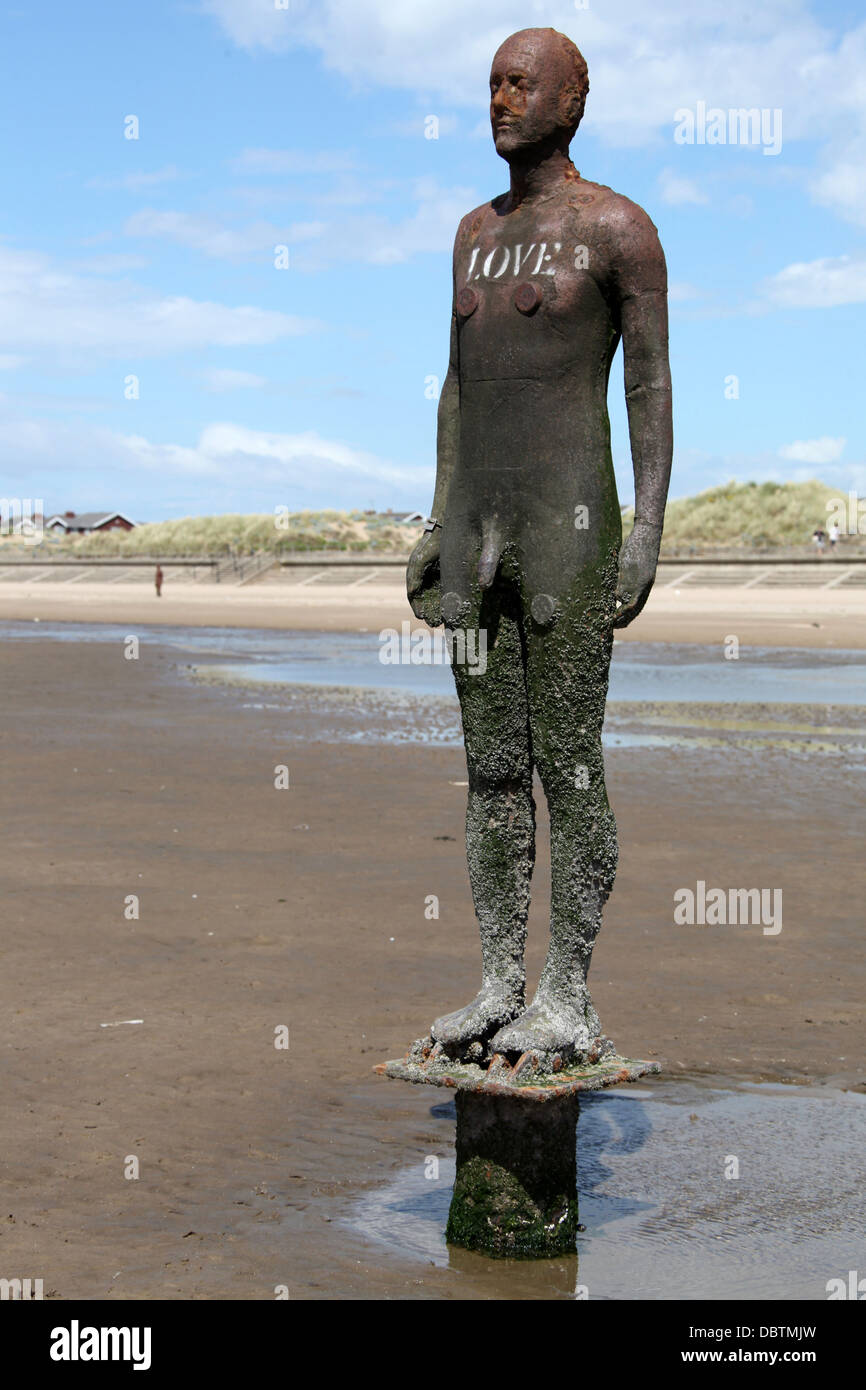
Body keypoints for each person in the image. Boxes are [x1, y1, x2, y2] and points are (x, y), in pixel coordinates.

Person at [406, 27, 672, 1067]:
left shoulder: (618, 229)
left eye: (521, 84)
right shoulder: (472, 234)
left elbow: (648, 386)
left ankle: (567, 993)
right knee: (488, 768)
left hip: (569, 534)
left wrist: (646, 529)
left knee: (566, 760)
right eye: (490, 85)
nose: (500, 100)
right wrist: (435, 522)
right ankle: (495, 983)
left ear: (571, 100)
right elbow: (457, 386)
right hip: (475, 540)